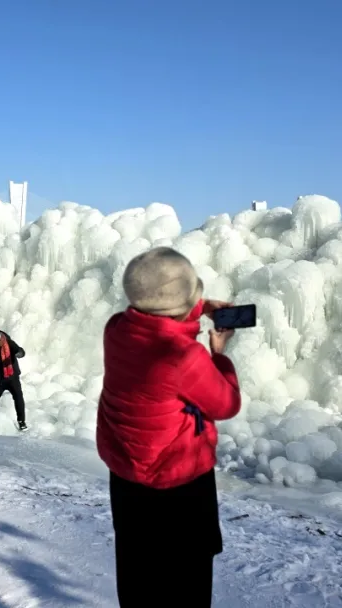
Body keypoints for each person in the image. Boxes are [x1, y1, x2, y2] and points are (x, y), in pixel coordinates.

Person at [96, 247, 241, 608]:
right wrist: (220, 354)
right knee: (186, 586)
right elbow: (226, 403)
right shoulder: (182, 355)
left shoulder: (116, 328)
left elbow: (156, 311)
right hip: (181, 487)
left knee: (138, 580)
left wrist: (201, 305)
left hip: (128, 480)